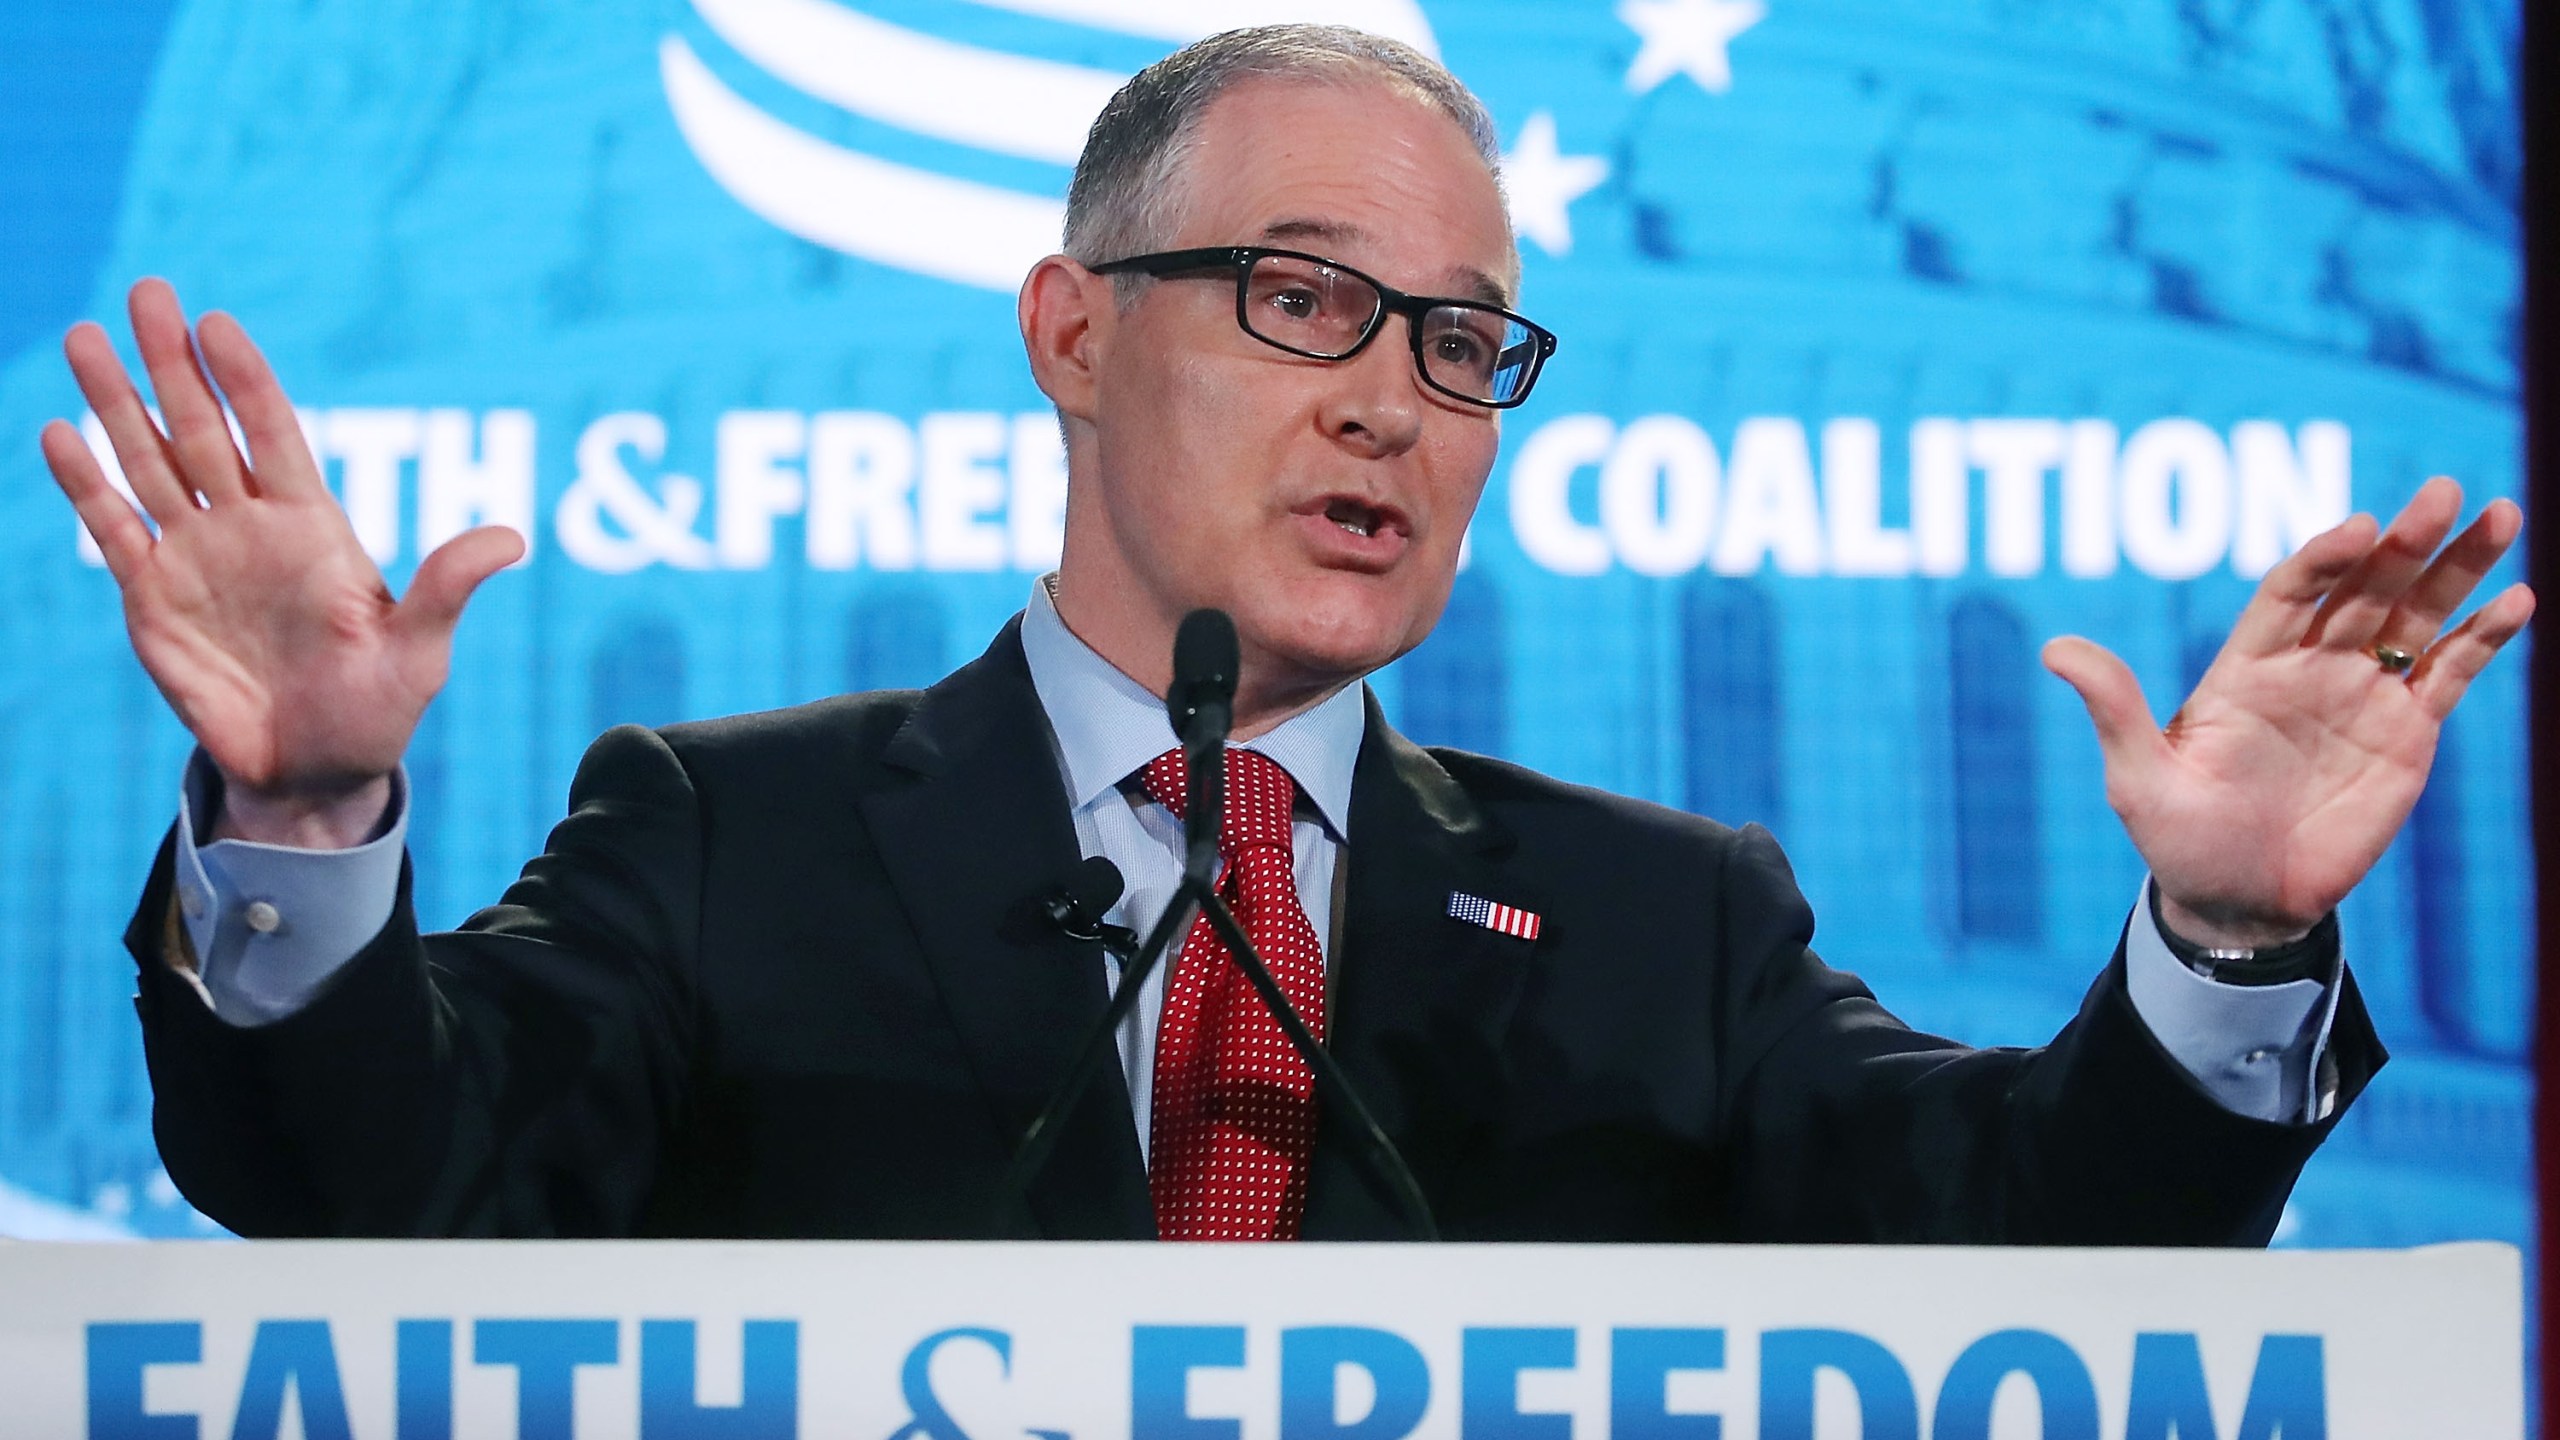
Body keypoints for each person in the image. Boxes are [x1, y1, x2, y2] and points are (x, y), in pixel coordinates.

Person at [39, 27, 2532, 1242]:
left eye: (1462, 345)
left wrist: (2222, 932)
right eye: (1302, 300)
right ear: (1072, 333)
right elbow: (347, 1176)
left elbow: (2044, 1239)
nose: (1394, 408)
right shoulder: (718, 846)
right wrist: (295, 811)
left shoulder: (1673, 928)